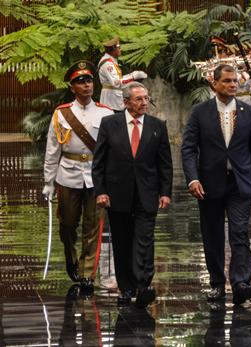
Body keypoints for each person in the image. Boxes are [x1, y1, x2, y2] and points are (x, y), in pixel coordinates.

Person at [181, 64, 251, 305]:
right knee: (213, 235)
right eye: (227, 81)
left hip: (240, 184)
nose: (232, 85)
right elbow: (188, 148)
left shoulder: (248, 112)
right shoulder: (201, 112)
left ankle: (241, 283)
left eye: (235, 81)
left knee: (239, 232)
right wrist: (193, 178)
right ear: (215, 84)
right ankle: (217, 283)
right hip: (209, 184)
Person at [92, 81, 173, 308]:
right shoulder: (110, 124)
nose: (144, 103)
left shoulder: (158, 126)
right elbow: (98, 162)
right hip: (118, 193)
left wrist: (165, 192)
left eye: (146, 98)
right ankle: (126, 287)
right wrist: (101, 191)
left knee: (145, 240)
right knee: (122, 241)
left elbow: (164, 163)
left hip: (147, 193)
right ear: (126, 102)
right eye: (139, 99)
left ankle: (143, 285)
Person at [42, 61, 113, 294]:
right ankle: (71, 258)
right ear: (72, 87)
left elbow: (112, 150)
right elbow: (53, 149)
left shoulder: (106, 113)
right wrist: (48, 182)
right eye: (80, 82)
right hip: (68, 175)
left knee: (93, 227)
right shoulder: (61, 113)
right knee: (68, 224)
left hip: (95, 176)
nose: (86, 85)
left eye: (89, 80)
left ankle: (87, 273)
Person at [98, 36, 148, 111]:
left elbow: (118, 79)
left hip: (114, 98)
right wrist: (133, 76)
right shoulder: (108, 64)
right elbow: (117, 82)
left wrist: (131, 76)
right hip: (111, 101)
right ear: (114, 49)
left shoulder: (111, 61)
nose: (120, 49)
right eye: (119, 47)